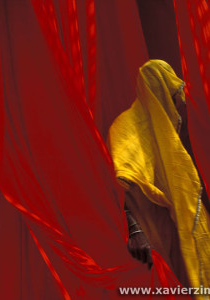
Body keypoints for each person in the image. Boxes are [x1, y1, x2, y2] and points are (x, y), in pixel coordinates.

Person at [107, 60, 210, 289]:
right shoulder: (126, 128)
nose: (178, 101)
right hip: (144, 227)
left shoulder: (163, 131)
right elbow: (117, 186)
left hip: (168, 221)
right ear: (158, 93)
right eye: (173, 94)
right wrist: (135, 230)